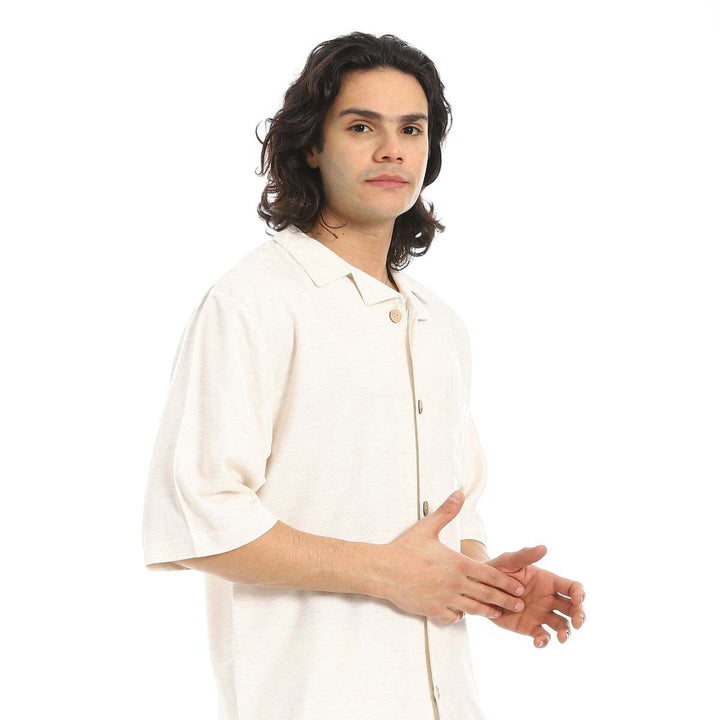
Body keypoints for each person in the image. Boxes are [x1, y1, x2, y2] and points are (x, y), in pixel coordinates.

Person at [141, 31, 586, 720]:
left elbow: (454, 512)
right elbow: (201, 513)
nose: (392, 150)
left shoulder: (441, 324)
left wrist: (486, 586)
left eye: (411, 128)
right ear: (312, 146)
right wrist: (386, 573)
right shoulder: (255, 301)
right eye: (361, 126)